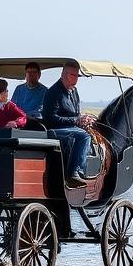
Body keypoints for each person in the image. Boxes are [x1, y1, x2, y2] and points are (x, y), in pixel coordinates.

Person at [42, 59, 97, 187]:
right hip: (55, 130)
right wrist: (76, 120)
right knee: (84, 136)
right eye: (74, 75)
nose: (76, 79)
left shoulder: (74, 91)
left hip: (71, 128)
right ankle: (75, 172)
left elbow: (76, 113)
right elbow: (50, 119)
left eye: (78, 76)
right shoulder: (53, 92)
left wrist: (83, 119)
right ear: (64, 75)